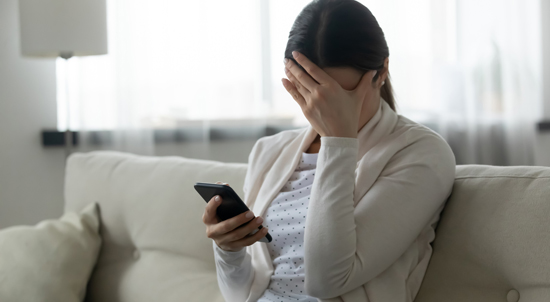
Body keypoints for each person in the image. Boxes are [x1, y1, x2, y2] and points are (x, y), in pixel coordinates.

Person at [202, 0, 456, 301]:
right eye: (315, 92)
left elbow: (328, 281)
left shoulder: (421, 152)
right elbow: (240, 294)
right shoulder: (268, 152)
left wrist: (338, 142)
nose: (330, 107)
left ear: (382, 71)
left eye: (342, 95)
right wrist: (228, 251)